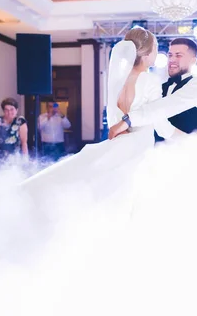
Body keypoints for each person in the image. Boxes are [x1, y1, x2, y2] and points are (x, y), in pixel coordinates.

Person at [21, 26, 176, 199]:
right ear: (146, 53)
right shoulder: (151, 81)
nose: (157, 52)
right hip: (138, 147)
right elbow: (159, 122)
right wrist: (181, 136)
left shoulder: (119, 79)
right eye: (155, 48)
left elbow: (114, 117)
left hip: (120, 143)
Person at [109, 37, 197, 141]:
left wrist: (128, 120)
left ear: (193, 61)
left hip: (188, 154)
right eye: (170, 55)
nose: (172, 60)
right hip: (155, 153)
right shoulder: (161, 87)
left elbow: (168, 105)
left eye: (178, 55)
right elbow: (156, 119)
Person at [0, 97, 28, 164]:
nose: (9, 112)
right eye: (6, 110)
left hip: (14, 158)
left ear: (17, 110)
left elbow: (24, 142)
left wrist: (25, 159)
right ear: (3, 111)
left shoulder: (20, 121)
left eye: (12, 109)